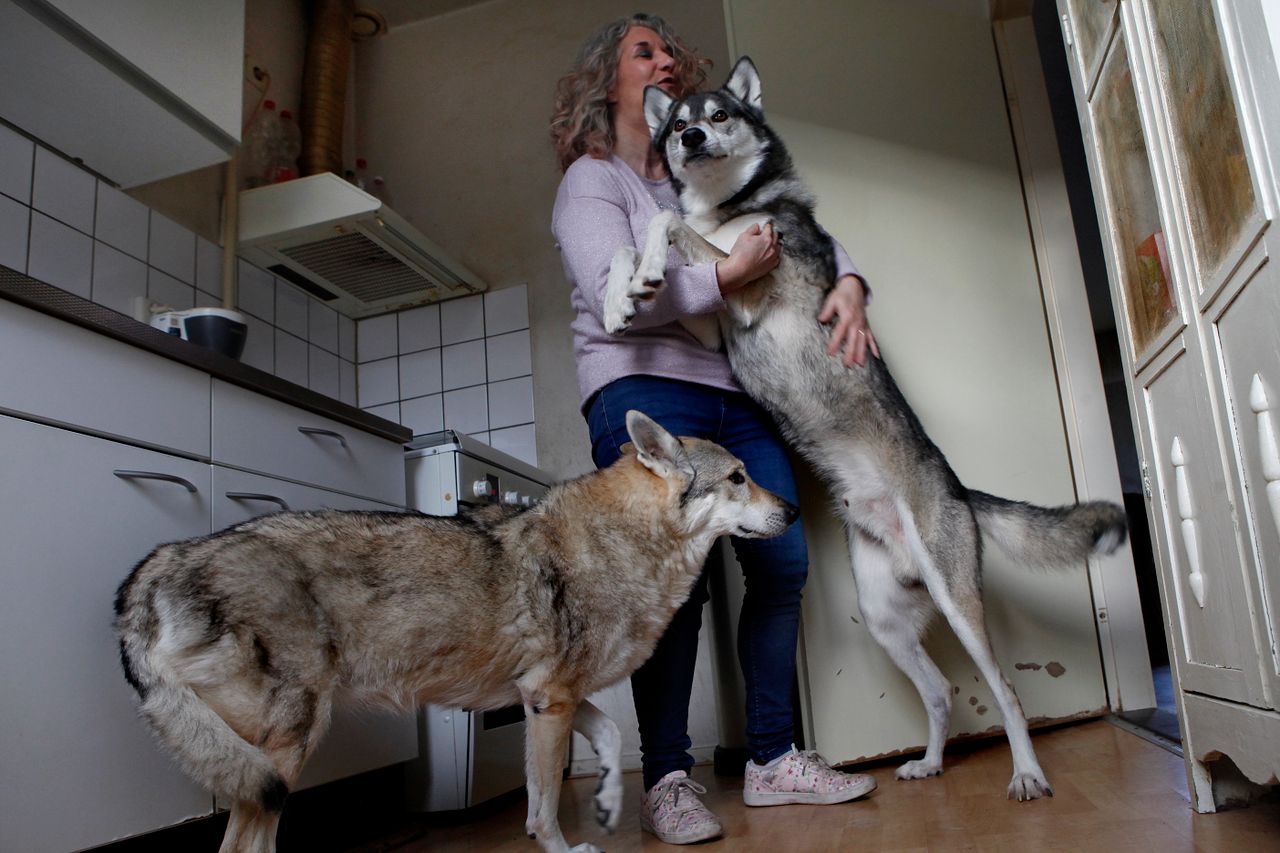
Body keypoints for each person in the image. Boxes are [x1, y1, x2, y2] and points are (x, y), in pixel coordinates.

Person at [549, 13, 879, 846]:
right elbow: (611, 298)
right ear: (607, 80)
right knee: (675, 588)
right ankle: (667, 778)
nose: (665, 63)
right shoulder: (594, 182)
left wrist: (851, 282)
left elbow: (796, 226)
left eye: (670, 52)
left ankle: (771, 760)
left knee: (782, 564)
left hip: (738, 393)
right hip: (645, 395)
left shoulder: (700, 175)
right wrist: (728, 275)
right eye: (643, 52)